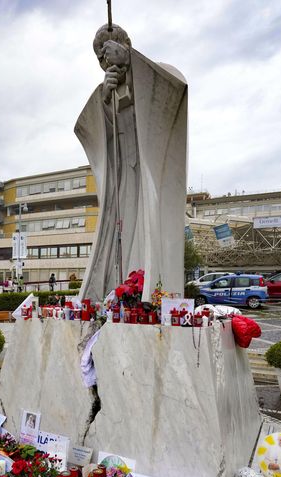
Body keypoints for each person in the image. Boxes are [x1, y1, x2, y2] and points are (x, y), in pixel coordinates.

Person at [76, 23, 187, 303]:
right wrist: (105, 103)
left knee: (148, 232)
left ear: (125, 45)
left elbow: (175, 88)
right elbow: (97, 135)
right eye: (100, 58)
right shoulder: (107, 90)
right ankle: (122, 292)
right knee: (122, 235)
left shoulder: (154, 74)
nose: (106, 61)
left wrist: (130, 61)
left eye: (109, 52)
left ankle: (150, 294)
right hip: (124, 176)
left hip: (150, 172)